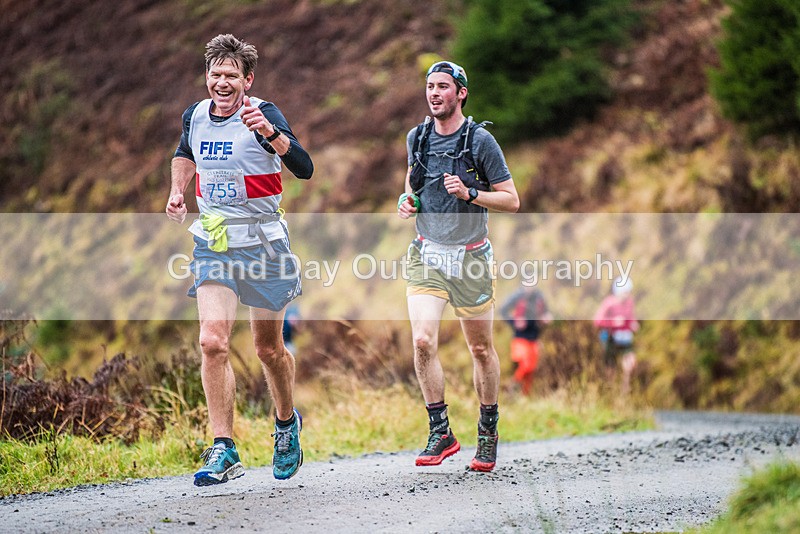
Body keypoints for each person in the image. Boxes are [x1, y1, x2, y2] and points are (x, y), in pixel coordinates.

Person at [165, 34, 314, 485]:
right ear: (206, 76)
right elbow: (184, 154)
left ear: (248, 80)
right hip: (214, 242)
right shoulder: (195, 116)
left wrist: (270, 134)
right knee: (213, 341)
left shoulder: (263, 113)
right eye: (215, 74)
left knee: (268, 349)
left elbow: (304, 168)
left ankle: (286, 424)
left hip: (264, 245)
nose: (222, 82)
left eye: (231, 75)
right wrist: (176, 190)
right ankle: (223, 447)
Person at [397, 60, 520, 472]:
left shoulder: (480, 141)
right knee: (422, 341)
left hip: (470, 258)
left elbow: (511, 199)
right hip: (426, 254)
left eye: (443, 87)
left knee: (480, 349)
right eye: (430, 86)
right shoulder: (417, 137)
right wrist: (406, 201)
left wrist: (471, 194)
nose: (434, 93)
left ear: (460, 93)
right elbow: (413, 187)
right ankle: (441, 431)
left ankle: (488, 430)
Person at [499, 283, 553, 396]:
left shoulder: (539, 297)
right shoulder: (517, 296)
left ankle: (524, 397)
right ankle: (511, 386)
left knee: (531, 370)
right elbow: (502, 310)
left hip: (534, 338)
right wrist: (514, 322)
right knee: (526, 365)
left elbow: (546, 313)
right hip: (520, 338)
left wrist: (546, 318)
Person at [594, 276, 639, 395]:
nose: (627, 294)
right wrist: (612, 322)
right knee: (610, 369)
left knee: (630, 364)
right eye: (625, 292)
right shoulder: (609, 303)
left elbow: (631, 317)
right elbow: (597, 321)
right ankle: (610, 393)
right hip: (611, 338)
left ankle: (625, 392)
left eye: (628, 292)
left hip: (626, 338)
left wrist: (633, 324)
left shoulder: (630, 302)